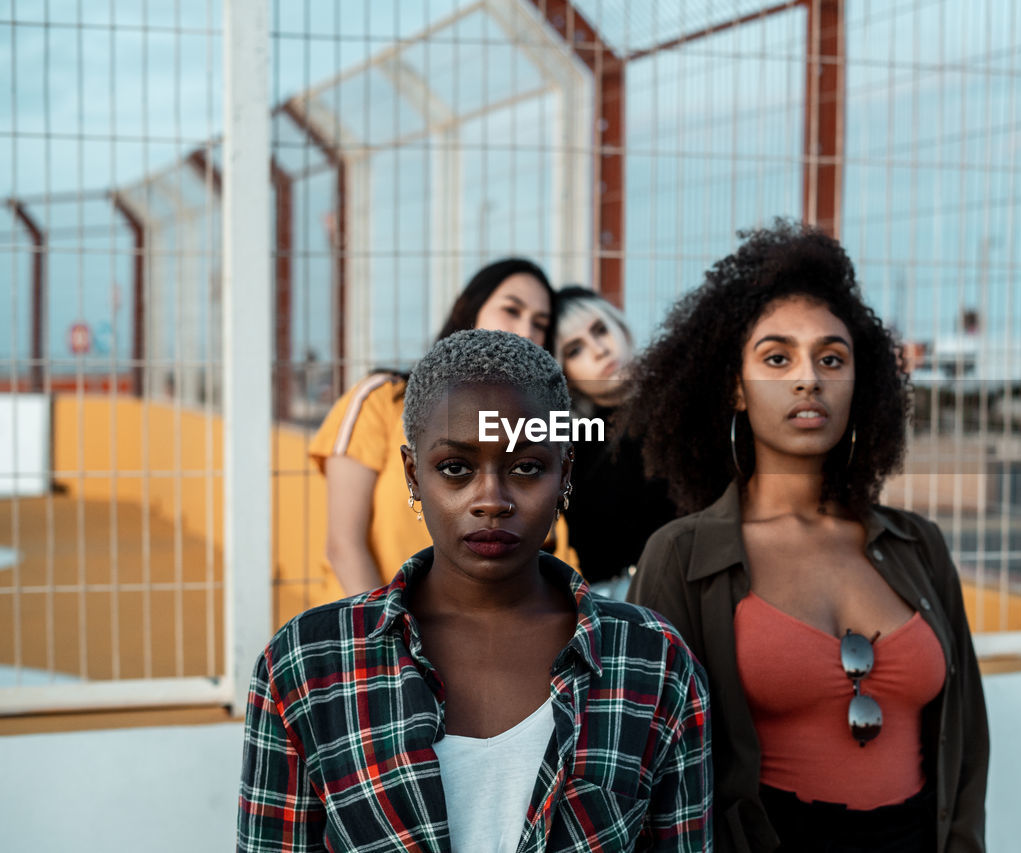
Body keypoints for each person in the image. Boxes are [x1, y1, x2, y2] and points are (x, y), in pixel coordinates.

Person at [240, 330, 713, 852]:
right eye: (456, 468)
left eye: (527, 467)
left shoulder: (651, 660)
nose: (491, 500)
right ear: (413, 475)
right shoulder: (307, 664)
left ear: (565, 476)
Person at [623, 221, 989, 852]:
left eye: (831, 358)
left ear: (858, 383)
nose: (807, 378)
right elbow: (643, 761)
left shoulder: (918, 546)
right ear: (735, 387)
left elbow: (969, 742)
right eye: (776, 357)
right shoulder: (682, 557)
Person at [308, 258, 558, 596]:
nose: (526, 331)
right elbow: (344, 546)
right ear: (468, 309)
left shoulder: (534, 432)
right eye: (511, 310)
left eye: (539, 323)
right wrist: (388, 637)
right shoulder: (382, 400)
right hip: (375, 633)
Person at [554, 286, 676, 594]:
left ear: (619, 327)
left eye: (600, 330)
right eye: (575, 350)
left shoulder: (679, 402)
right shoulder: (567, 443)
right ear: (563, 370)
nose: (599, 350)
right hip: (617, 599)